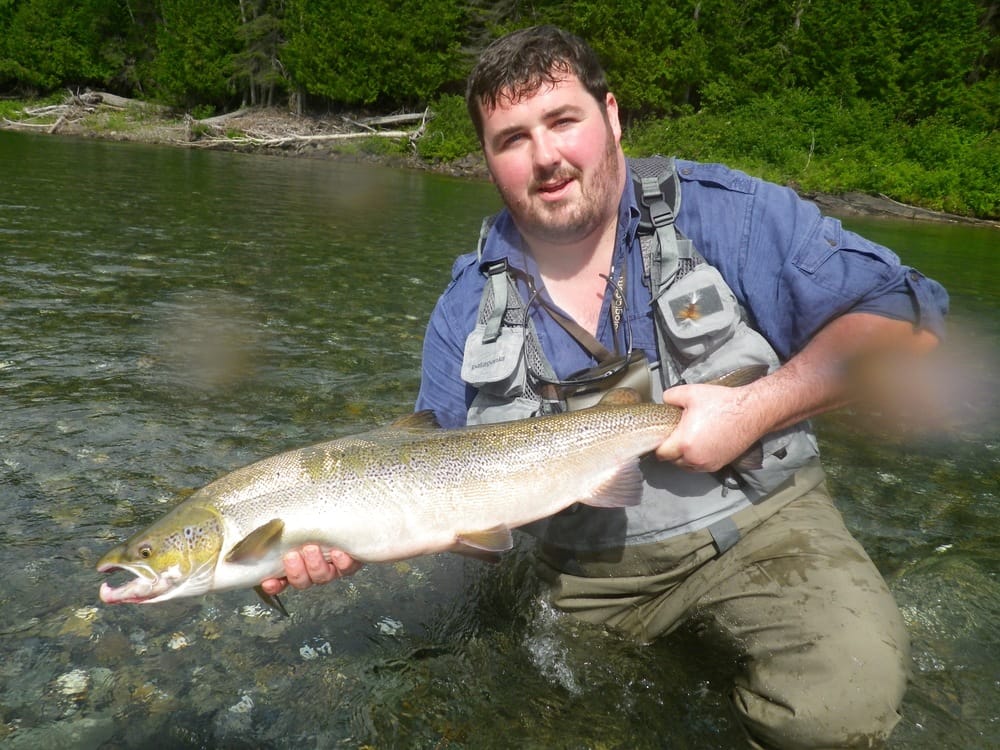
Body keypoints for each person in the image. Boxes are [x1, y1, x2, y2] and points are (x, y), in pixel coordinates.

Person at [262, 25, 949, 749]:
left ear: (612, 116)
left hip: (766, 531)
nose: (546, 156)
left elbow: (907, 318)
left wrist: (756, 407)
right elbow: (444, 489)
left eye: (564, 122)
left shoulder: (729, 214)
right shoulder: (463, 310)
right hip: (583, 575)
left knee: (836, 717)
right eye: (512, 139)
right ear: (489, 161)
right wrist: (344, 533)